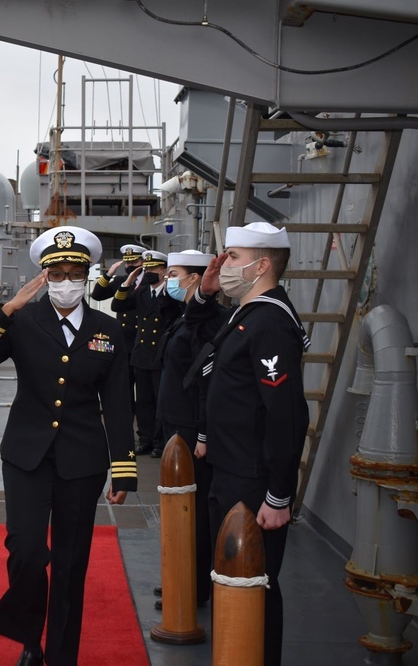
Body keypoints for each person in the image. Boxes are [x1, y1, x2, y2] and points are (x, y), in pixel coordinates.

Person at [0, 226, 137, 666]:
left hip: (82, 460)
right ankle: (29, 636)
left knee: (71, 565)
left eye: (75, 271)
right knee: (27, 552)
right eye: (56, 272)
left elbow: (116, 403)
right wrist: (7, 308)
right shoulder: (22, 320)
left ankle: (58, 655)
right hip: (26, 457)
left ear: (88, 275)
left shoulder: (108, 330)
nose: (65, 280)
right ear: (44, 276)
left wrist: (124, 468)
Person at [188, 222, 309, 666]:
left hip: (253, 481)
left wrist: (279, 495)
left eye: (234, 258)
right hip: (230, 470)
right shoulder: (249, 311)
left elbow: (287, 414)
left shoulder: (272, 323)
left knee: (255, 583)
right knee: (232, 581)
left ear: (262, 265)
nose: (225, 264)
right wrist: (207, 291)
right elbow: (196, 333)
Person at [152, 249, 227, 610]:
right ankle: (178, 576)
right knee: (176, 506)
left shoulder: (204, 321)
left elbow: (204, 384)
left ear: (196, 279)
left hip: (189, 427)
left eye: (175, 274)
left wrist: (202, 433)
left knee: (192, 510)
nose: (168, 280)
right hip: (173, 423)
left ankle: (194, 587)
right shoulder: (184, 316)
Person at [111, 250, 182, 457]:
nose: (148, 272)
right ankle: (145, 440)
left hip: (161, 355)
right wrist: (127, 283)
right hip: (141, 353)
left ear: (163, 271)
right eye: (146, 268)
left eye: (153, 268)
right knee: (143, 402)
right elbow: (118, 305)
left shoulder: (171, 294)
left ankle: (160, 442)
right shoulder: (141, 292)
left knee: (160, 400)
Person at [90, 243, 145, 435]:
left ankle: (149, 436)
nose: (131, 266)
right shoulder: (122, 281)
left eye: (135, 262)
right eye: (128, 263)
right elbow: (96, 294)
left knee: (147, 395)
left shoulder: (150, 283)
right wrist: (109, 274)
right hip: (126, 344)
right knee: (125, 391)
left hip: (146, 343)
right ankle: (126, 430)